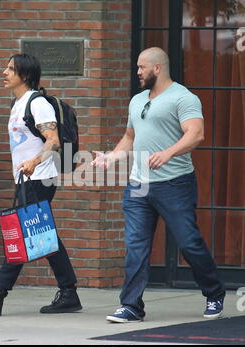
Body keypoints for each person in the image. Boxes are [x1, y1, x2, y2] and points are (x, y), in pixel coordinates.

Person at [92, 47, 225, 323]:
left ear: (157, 68)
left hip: (175, 184)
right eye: (137, 67)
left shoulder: (183, 98)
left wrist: (168, 152)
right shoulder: (137, 100)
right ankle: (131, 306)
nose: (138, 72)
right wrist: (111, 157)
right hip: (138, 186)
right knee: (136, 247)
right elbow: (129, 137)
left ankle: (214, 292)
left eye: (142, 67)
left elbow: (196, 133)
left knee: (189, 243)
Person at [0, 53, 82, 316]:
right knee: (43, 234)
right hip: (28, 179)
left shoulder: (37, 102)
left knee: (22, 233)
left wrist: (34, 161)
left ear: (26, 76)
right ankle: (69, 293)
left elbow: (52, 140)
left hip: (39, 177)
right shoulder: (17, 103)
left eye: (11, 69)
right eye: (6, 67)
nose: (4, 72)